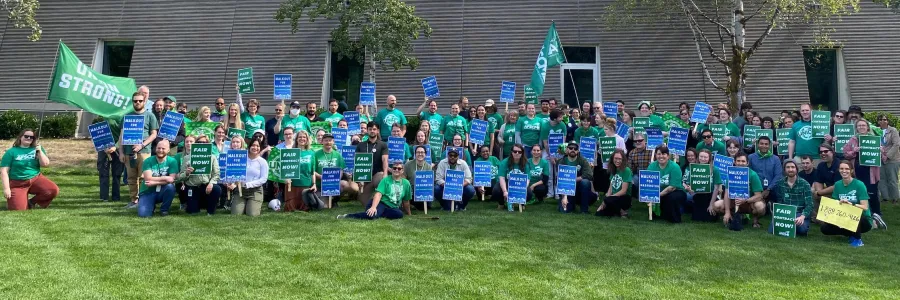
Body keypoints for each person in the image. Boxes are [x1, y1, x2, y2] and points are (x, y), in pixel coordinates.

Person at [841, 119, 886, 228]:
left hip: (871, 171)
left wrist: (881, 152)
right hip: (857, 171)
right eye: (859, 125)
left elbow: (884, 158)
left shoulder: (875, 139)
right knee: (859, 193)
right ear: (856, 128)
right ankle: (861, 216)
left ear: (867, 127)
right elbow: (845, 153)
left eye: (863, 125)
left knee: (872, 193)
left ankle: (876, 215)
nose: (861, 127)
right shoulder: (853, 139)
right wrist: (854, 151)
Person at [120, 92, 160, 209]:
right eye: (135, 101)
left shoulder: (150, 116)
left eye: (140, 101)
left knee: (144, 177)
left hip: (144, 151)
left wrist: (141, 145)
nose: (137, 103)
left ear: (144, 101)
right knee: (131, 178)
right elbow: (122, 136)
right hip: (128, 151)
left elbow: (154, 134)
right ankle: (134, 200)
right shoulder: (127, 117)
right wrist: (121, 152)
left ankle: (144, 200)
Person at [1, 129, 58, 210]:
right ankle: (18, 199)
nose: (29, 138)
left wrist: (40, 152)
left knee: (52, 190)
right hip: (17, 183)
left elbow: (45, 164)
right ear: (20, 137)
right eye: (26, 136)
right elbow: (4, 171)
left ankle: (31, 202)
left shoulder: (37, 149)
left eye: (31, 137)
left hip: (35, 179)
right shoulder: (11, 152)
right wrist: (6, 189)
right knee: (18, 209)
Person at [821, 160, 873, 247]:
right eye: (841, 169)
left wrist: (851, 205)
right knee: (824, 228)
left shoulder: (859, 184)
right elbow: (835, 203)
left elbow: (865, 207)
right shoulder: (837, 185)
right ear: (839, 170)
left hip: (862, 219)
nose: (844, 171)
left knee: (855, 214)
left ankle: (857, 239)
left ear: (851, 171)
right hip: (844, 216)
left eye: (847, 169)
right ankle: (850, 233)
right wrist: (839, 203)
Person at [338, 161, 412, 220]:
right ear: (392, 170)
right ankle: (347, 216)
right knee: (371, 216)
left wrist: (409, 214)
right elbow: (378, 194)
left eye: (399, 169)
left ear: (402, 171)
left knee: (399, 214)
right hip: (380, 203)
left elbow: (406, 201)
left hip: (392, 207)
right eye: (394, 168)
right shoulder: (386, 180)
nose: (396, 170)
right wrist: (373, 207)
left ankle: (379, 213)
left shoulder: (406, 183)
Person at [176, 135, 221, 215]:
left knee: (217, 189)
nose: (202, 144)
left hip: (206, 186)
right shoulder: (187, 158)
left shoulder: (212, 157)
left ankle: (210, 211)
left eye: (204, 142)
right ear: (196, 144)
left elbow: (216, 174)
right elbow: (180, 178)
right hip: (192, 187)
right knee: (193, 212)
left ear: (208, 144)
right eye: (199, 142)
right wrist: (187, 173)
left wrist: (211, 183)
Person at [718, 153, 765, 229]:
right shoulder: (730, 174)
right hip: (734, 201)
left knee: (760, 206)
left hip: (749, 202)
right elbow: (727, 194)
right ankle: (734, 217)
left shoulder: (753, 175)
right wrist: (727, 212)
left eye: (743, 161)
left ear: (747, 163)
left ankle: (755, 220)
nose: (740, 163)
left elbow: (759, 196)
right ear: (734, 162)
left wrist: (745, 200)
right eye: (738, 161)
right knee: (717, 205)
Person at [770, 160, 813, 236]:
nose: (790, 169)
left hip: (799, 213)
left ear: (796, 169)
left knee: (802, 230)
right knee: (771, 230)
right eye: (788, 167)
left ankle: (802, 225)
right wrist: (777, 215)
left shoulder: (805, 184)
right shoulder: (780, 183)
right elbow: (779, 202)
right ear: (784, 169)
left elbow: (810, 204)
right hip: (785, 213)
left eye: (793, 167)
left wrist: (802, 217)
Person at [136, 140, 178, 218]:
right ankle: (150, 205)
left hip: (162, 190)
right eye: (158, 148)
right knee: (143, 215)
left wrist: (154, 183)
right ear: (155, 149)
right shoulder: (148, 161)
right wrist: (165, 178)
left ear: (168, 150)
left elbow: (171, 179)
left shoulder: (172, 161)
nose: (160, 150)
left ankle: (164, 210)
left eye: (163, 148)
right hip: (147, 191)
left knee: (170, 187)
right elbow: (148, 178)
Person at [229, 139, 269, 216]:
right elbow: (235, 172)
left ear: (260, 148)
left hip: (255, 191)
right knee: (236, 214)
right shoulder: (241, 159)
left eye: (257, 146)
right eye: (253, 145)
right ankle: (244, 206)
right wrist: (232, 183)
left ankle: (250, 206)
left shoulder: (263, 162)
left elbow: (263, 179)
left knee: (252, 214)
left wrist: (248, 184)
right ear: (249, 147)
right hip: (240, 190)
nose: (255, 148)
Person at [313, 133, 356, 206]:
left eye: (330, 140)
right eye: (326, 140)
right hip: (320, 185)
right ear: (322, 142)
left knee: (346, 185)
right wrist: (321, 177)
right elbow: (312, 171)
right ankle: (329, 201)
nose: (328, 142)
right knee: (325, 207)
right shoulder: (316, 154)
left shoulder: (337, 155)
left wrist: (336, 180)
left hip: (335, 183)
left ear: (333, 142)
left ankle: (335, 199)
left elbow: (341, 169)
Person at [647, 146, 686, 223]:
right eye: (659, 154)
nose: (661, 156)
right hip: (659, 191)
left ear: (668, 156)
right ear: (655, 155)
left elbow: (672, 187)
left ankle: (675, 218)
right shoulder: (652, 166)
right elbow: (648, 183)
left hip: (676, 191)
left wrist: (657, 196)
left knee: (672, 198)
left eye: (663, 154)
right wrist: (648, 196)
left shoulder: (675, 167)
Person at [683, 149, 723, 222]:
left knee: (710, 217)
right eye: (701, 156)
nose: (703, 159)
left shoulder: (715, 169)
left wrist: (711, 205)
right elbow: (690, 185)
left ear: (709, 158)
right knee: (697, 218)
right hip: (698, 195)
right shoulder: (694, 168)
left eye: (705, 157)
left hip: (711, 195)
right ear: (698, 157)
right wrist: (690, 188)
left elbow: (716, 188)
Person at [356, 122, 389, 207]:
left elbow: (385, 160)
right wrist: (359, 179)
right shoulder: (360, 145)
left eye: (374, 129)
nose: (372, 131)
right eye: (370, 129)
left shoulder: (383, 144)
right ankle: (372, 198)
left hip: (377, 175)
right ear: (367, 130)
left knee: (381, 177)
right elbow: (357, 163)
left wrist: (385, 174)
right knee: (364, 201)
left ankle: (383, 200)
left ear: (378, 131)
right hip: (365, 177)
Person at [558, 142, 595, 213]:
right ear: (567, 150)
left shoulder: (583, 160)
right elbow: (560, 181)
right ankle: (570, 203)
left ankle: (584, 210)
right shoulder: (561, 162)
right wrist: (564, 197)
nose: (573, 150)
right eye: (570, 148)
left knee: (585, 182)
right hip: (567, 189)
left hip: (580, 189)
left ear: (578, 151)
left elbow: (589, 174)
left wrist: (574, 180)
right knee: (564, 211)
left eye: (575, 149)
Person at [284, 131, 316, 212]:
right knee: (290, 208)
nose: (302, 139)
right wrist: (286, 178)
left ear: (307, 139)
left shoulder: (311, 153)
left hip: (306, 184)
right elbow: (286, 168)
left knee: (305, 208)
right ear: (296, 139)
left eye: (304, 137)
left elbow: (312, 171)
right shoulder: (291, 152)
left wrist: (314, 184)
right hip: (292, 184)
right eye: (300, 137)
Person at [495, 144, 533, 208]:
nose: (517, 153)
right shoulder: (504, 162)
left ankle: (521, 203)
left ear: (522, 153)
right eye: (515, 151)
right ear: (511, 152)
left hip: (519, 185)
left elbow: (527, 179)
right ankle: (501, 203)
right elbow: (502, 178)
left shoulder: (526, 163)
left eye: (519, 152)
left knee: (529, 193)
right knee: (496, 190)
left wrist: (521, 190)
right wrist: (505, 191)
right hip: (506, 183)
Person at [596, 150, 632, 217]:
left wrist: (609, 198)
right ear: (612, 159)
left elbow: (623, 191)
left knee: (608, 200)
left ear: (623, 160)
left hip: (624, 197)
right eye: (616, 158)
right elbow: (610, 189)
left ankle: (622, 212)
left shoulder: (627, 170)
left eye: (620, 159)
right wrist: (603, 203)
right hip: (613, 198)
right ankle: (617, 212)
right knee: (599, 213)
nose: (617, 161)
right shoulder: (613, 169)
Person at [748, 136, 783, 202]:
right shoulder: (751, 157)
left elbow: (778, 176)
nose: (764, 146)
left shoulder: (775, 159)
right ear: (758, 145)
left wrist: (768, 189)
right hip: (755, 191)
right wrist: (757, 190)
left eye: (766, 144)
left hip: (772, 190)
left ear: (769, 146)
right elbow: (749, 174)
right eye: (761, 143)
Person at [96, 120, 124, 202]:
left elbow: (124, 134)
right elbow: (97, 132)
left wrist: (116, 146)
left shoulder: (123, 117)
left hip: (119, 148)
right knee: (103, 173)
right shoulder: (102, 116)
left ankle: (116, 197)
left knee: (117, 174)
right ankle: (104, 197)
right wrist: (103, 146)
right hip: (103, 148)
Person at [812, 144, 841, 220]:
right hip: (827, 191)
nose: (823, 153)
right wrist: (818, 192)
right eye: (821, 152)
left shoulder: (839, 164)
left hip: (840, 193)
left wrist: (820, 193)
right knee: (812, 192)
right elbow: (818, 181)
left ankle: (826, 218)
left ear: (832, 152)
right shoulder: (821, 165)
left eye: (825, 151)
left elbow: (836, 186)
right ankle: (816, 217)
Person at [877, 114, 900, 205]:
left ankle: (895, 198)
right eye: (880, 119)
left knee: (892, 179)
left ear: (887, 121)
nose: (883, 121)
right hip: (880, 158)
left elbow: (896, 144)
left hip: (892, 159)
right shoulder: (876, 131)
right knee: (882, 178)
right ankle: (885, 197)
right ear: (878, 121)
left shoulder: (893, 130)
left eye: (885, 119)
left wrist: (888, 155)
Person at [405, 145, 433, 211]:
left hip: (422, 191)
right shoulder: (408, 164)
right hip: (410, 191)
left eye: (422, 152)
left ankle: (414, 205)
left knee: (426, 206)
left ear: (425, 154)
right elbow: (403, 179)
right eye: (418, 152)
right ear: (415, 154)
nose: (420, 154)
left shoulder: (428, 167)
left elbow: (429, 183)